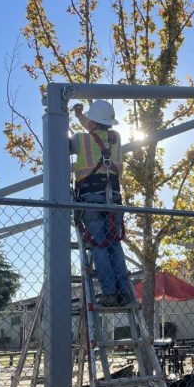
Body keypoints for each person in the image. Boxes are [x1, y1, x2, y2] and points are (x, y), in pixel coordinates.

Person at [71, 99, 135, 307]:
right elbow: (94, 129)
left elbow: (86, 134)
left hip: (91, 199)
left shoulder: (80, 140)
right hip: (114, 199)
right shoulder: (115, 138)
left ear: (93, 122)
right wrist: (80, 115)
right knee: (114, 244)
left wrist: (78, 116)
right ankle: (123, 293)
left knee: (98, 245)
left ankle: (108, 293)